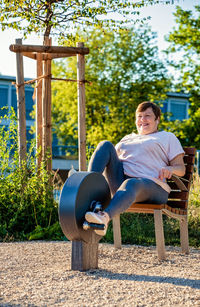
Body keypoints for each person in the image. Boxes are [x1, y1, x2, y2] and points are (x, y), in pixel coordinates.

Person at [85, 101, 185, 236]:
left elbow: (181, 168)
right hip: (123, 186)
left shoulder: (167, 137)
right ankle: (85, 186)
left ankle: (104, 218)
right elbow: (110, 161)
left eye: (147, 116)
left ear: (157, 119)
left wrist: (170, 169)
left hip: (154, 186)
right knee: (105, 145)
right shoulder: (128, 138)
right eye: (139, 116)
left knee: (132, 183)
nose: (142, 119)